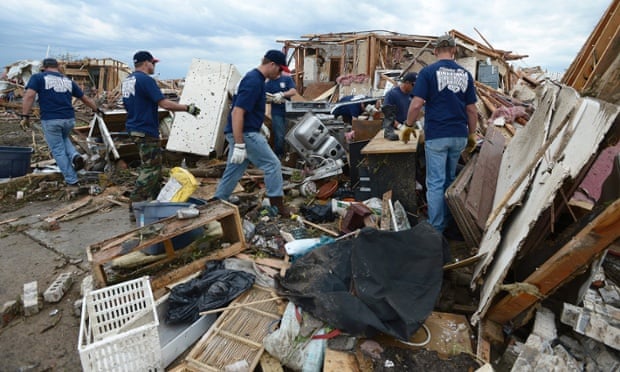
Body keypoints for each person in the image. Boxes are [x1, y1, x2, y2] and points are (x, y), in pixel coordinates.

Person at [404, 34, 478, 234]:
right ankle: (447, 220)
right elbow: (472, 110)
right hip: (458, 136)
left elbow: (416, 104)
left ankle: (436, 229)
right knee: (449, 179)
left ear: (435, 51)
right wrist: (472, 135)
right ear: (454, 51)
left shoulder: (428, 72)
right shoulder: (465, 74)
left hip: (437, 135)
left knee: (435, 182)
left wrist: (408, 125)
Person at [213, 50, 291, 217]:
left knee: (234, 170)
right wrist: (240, 143)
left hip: (244, 131)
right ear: (272, 65)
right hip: (246, 134)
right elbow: (237, 112)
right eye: (279, 69)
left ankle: (217, 203)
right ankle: (277, 207)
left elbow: (246, 109)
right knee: (273, 165)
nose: (280, 74)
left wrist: (258, 123)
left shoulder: (256, 79)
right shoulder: (253, 81)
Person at [122, 51, 201, 205]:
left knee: (154, 169)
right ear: (146, 63)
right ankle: (135, 204)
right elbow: (164, 103)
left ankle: (158, 202)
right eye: (153, 63)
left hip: (134, 127)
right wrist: (187, 108)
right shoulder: (146, 80)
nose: (154, 66)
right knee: (150, 170)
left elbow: (127, 105)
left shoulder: (128, 80)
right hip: (145, 129)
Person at [20, 58, 100, 187]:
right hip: (69, 119)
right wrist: (97, 109)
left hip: (51, 119)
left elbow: (29, 96)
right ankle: (75, 156)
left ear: (44, 67)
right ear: (57, 67)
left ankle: (71, 180)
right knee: (63, 139)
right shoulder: (68, 80)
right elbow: (84, 98)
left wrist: (25, 115)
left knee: (58, 150)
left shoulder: (38, 77)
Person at [265, 71, 297, 158]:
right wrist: (271, 99)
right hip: (277, 113)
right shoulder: (268, 83)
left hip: (289, 112)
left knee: (289, 135)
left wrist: (282, 94)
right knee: (279, 135)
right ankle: (278, 155)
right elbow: (264, 97)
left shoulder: (286, 78)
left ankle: (288, 155)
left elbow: (293, 91)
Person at [381, 72, 417, 140]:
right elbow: (387, 117)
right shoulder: (392, 95)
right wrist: (401, 127)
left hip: (406, 127)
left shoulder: (411, 94)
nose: (415, 87)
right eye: (413, 85)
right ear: (407, 82)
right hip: (394, 131)